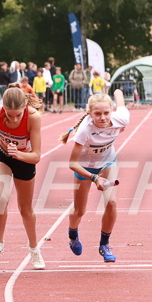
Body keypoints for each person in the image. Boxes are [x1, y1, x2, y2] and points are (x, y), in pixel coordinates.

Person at [0, 84, 45, 270]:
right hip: (1, 154)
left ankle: (34, 249)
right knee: (2, 197)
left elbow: (36, 156)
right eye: (9, 115)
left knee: (25, 209)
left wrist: (19, 154)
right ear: (3, 109)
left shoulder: (33, 117)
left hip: (24, 159)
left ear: (24, 107)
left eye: (18, 114)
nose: (13, 119)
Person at [60, 89, 128, 263]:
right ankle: (73, 234)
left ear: (112, 110)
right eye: (97, 114)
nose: (103, 118)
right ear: (89, 113)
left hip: (108, 163)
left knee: (112, 202)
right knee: (80, 211)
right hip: (85, 168)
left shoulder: (121, 118)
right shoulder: (84, 130)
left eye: (106, 113)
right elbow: (72, 163)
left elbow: (119, 94)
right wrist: (94, 178)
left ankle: (104, 245)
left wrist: (117, 91)